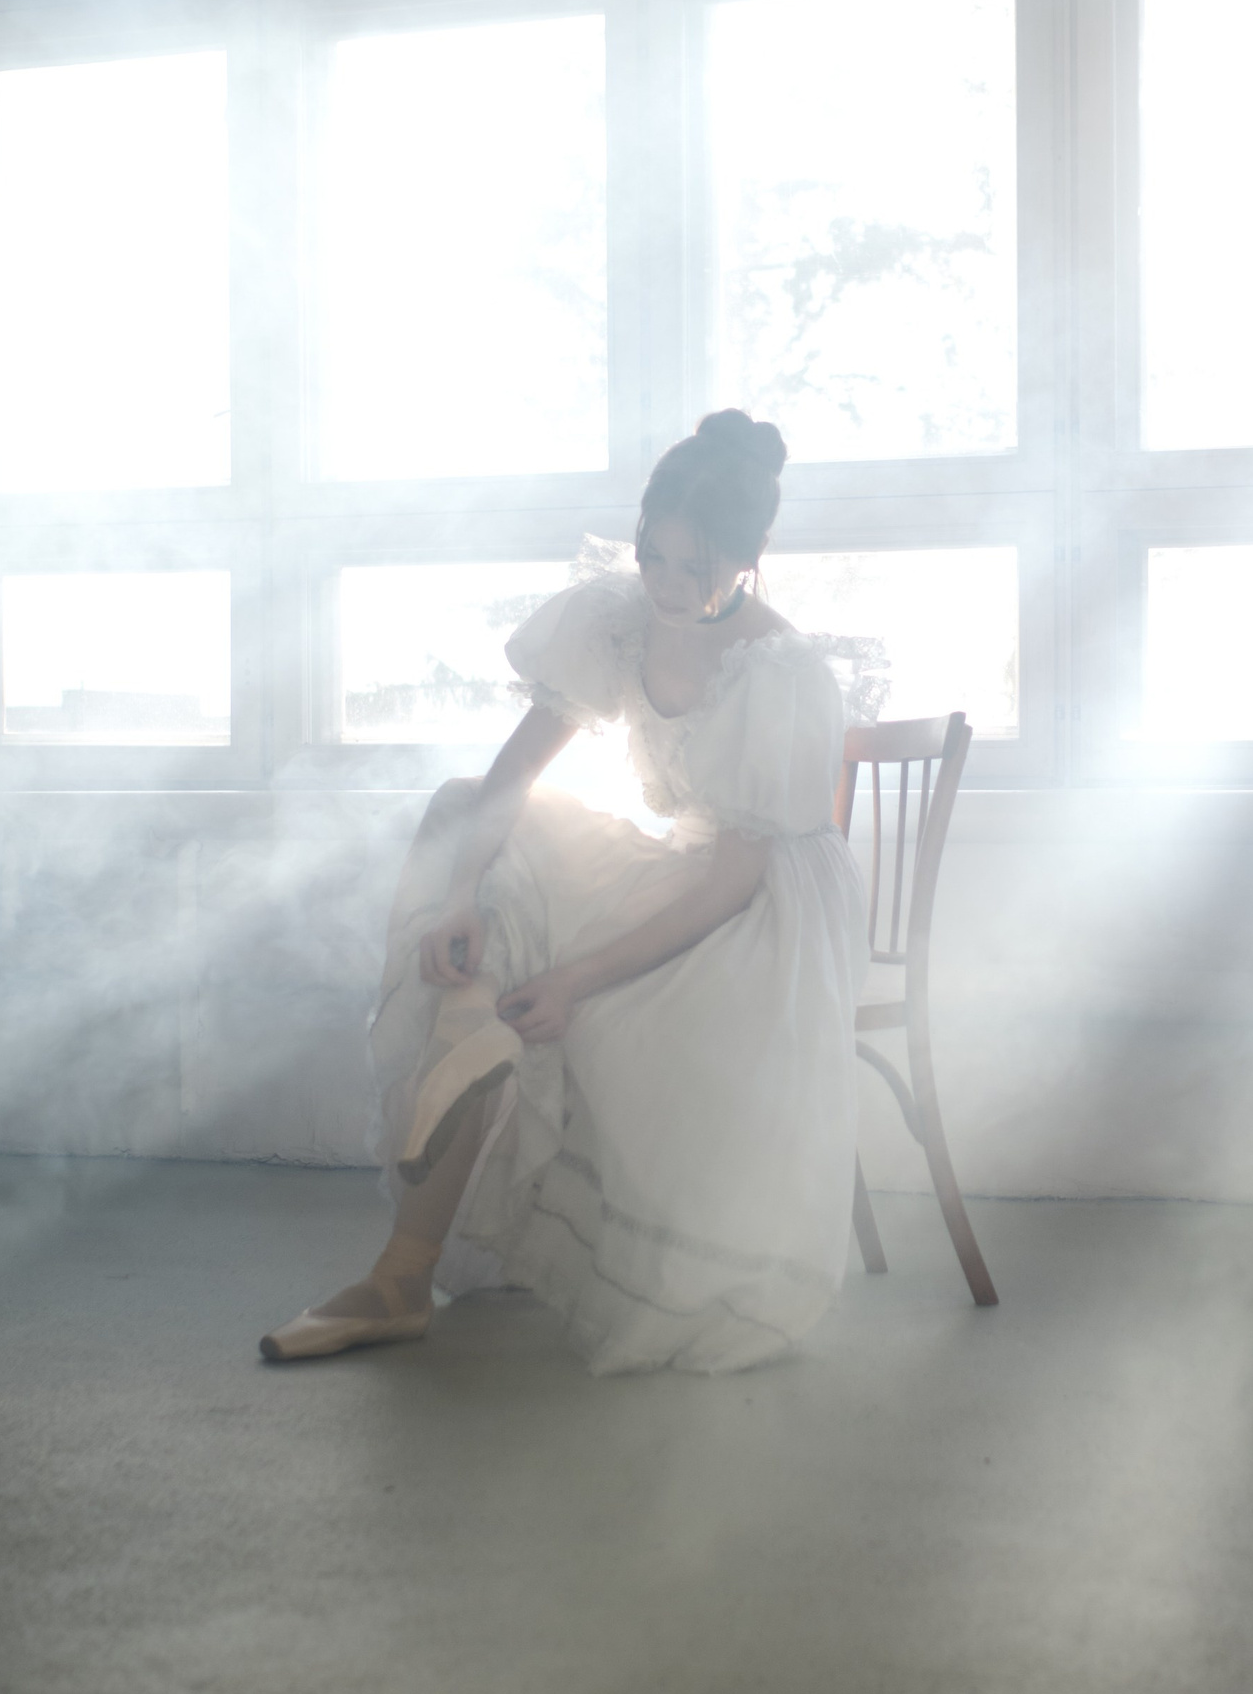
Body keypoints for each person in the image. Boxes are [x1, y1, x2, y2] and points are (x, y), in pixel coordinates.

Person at [260, 410, 868, 1375]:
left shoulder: (780, 671)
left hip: (759, 915)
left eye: (695, 567)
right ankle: (411, 1239)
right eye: (653, 555)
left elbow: (731, 882)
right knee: (472, 817)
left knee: (552, 978)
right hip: (683, 872)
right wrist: (460, 894)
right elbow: (513, 773)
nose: (667, 587)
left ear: (751, 559)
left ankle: (407, 1260)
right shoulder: (619, 618)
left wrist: (577, 979)